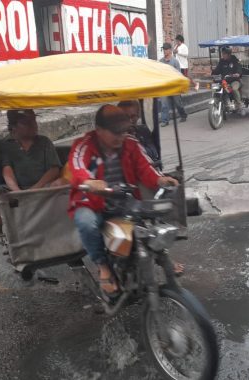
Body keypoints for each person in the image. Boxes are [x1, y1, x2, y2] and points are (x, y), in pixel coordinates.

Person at [68, 105, 179, 295]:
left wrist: (160, 179)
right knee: (86, 223)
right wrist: (90, 181)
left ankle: (159, 257)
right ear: (100, 130)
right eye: (115, 133)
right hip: (92, 203)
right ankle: (103, 266)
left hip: (124, 200)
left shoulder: (130, 143)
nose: (121, 137)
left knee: (147, 226)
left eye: (123, 131)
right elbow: (77, 167)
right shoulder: (84, 144)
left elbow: (146, 168)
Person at [159, 42, 188, 127]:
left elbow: (178, 74)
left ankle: (183, 115)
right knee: (164, 104)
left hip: (174, 86)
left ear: (170, 50)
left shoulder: (175, 62)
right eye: (163, 49)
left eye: (166, 49)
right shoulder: (160, 61)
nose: (164, 51)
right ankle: (165, 120)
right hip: (165, 86)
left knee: (178, 103)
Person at [211, 46, 243, 111]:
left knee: (234, 89)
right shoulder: (221, 61)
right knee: (216, 87)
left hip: (234, 81)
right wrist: (212, 72)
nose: (223, 55)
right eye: (222, 54)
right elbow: (217, 70)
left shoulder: (235, 61)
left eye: (224, 54)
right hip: (224, 81)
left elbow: (239, 69)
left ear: (229, 54)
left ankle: (239, 105)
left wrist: (237, 74)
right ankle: (221, 101)